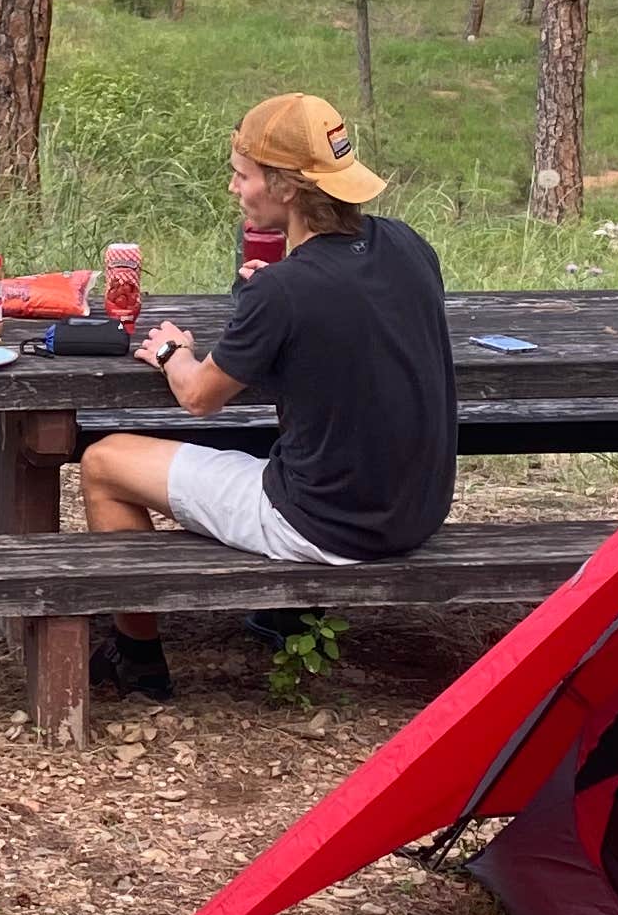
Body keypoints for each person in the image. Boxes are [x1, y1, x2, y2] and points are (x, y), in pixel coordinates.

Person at [76, 93, 458, 701]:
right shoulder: (407, 245)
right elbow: (348, 336)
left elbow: (200, 398)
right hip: (417, 509)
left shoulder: (284, 290)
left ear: (285, 187)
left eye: (242, 173)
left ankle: (137, 656)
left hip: (326, 525)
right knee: (276, 441)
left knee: (104, 461)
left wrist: (174, 351)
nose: (234, 188)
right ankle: (286, 615)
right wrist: (274, 298)